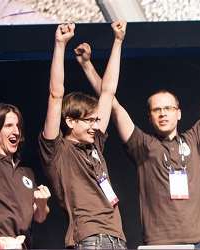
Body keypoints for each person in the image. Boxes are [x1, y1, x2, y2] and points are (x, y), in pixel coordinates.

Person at [75, 42, 200, 248]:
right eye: (156, 110)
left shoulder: (195, 139)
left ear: (178, 113)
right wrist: (86, 65)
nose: (163, 113)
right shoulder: (143, 145)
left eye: (168, 108)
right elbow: (111, 105)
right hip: (161, 243)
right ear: (150, 117)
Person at [38, 21, 127, 249]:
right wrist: (60, 45)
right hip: (89, 239)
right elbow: (56, 95)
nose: (94, 126)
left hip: (116, 237)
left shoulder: (94, 143)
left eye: (96, 121)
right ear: (70, 121)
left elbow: (108, 92)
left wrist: (118, 41)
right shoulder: (57, 150)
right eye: (89, 121)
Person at [0, 44, 51, 250]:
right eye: (8, 125)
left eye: (18, 126)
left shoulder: (27, 173)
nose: (15, 131)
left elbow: (39, 217)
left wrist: (42, 203)